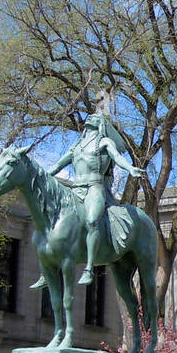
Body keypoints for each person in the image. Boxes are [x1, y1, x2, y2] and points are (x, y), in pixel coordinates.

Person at [43, 110, 146, 286]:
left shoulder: (104, 141)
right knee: (51, 218)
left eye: (96, 117)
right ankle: (47, 268)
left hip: (95, 188)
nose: (91, 116)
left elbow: (117, 157)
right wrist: (41, 175)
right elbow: (58, 165)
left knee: (92, 221)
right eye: (90, 116)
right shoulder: (77, 146)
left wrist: (130, 168)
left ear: (101, 125)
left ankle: (89, 268)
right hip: (75, 189)